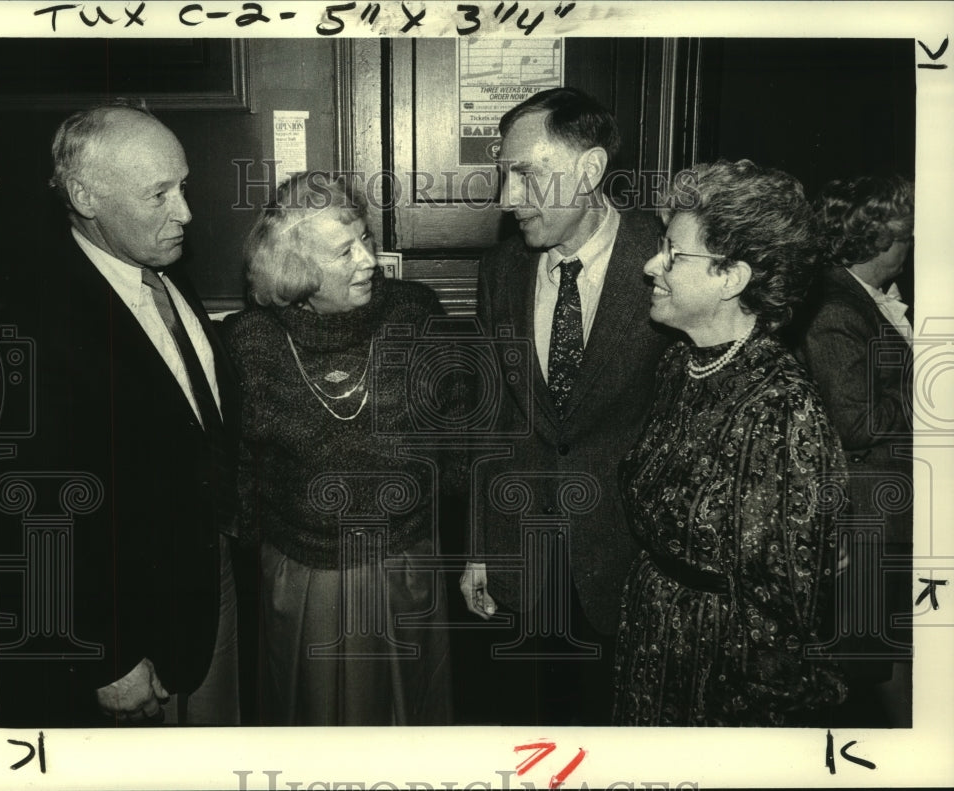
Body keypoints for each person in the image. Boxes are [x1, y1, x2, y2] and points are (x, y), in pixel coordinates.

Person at [0, 102, 240, 727]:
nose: (185, 212)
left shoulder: (160, 268)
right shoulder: (33, 318)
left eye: (183, 186)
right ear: (84, 196)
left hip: (207, 597)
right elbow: (28, 511)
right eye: (159, 194)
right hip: (128, 635)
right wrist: (102, 657)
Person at [458, 87, 671, 725]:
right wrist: (479, 547)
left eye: (525, 174)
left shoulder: (669, 262)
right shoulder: (502, 270)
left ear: (589, 170)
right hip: (526, 562)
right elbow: (493, 419)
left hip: (632, 569)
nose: (506, 198)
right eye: (503, 174)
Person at [612, 159, 848, 726]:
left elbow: (787, 608)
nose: (651, 266)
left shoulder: (782, 409)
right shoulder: (681, 364)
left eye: (674, 254)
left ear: (732, 277)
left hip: (720, 673)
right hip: (656, 639)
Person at [223, 174, 453, 726]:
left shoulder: (416, 314)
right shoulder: (251, 342)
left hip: (404, 561)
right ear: (296, 267)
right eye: (344, 250)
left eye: (366, 240)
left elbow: (460, 434)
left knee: (412, 723)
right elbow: (243, 469)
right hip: (309, 575)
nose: (369, 260)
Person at [798, 175, 914, 726]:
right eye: (907, 239)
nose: (911, 251)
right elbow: (857, 421)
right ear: (877, 240)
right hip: (862, 520)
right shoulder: (836, 308)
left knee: (881, 660)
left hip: (877, 515)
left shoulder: (860, 300)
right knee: (863, 669)